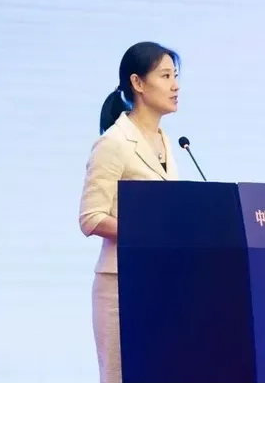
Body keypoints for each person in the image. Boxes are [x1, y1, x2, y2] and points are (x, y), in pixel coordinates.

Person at [78, 41, 181, 382]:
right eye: (165, 76)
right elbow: (90, 217)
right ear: (137, 83)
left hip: (161, 281)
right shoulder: (114, 143)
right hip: (120, 286)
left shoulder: (166, 142)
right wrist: (145, 232)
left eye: (175, 76)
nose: (175, 86)